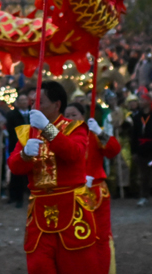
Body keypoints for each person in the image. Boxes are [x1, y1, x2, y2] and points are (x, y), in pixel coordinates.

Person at [7, 81, 99, 274]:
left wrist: (47, 129)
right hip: (40, 208)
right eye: (32, 102)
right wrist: (24, 155)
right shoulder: (27, 132)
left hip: (71, 206)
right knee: (39, 265)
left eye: (39, 102)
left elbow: (73, 153)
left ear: (57, 104)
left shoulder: (76, 128)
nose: (33, 106)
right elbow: (14, 167)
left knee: (76, 265)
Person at [65, 103, 120, 274]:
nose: (69, 119)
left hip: (96, 192)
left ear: (83, 116)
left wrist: (99, 132)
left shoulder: (94, 134)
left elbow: (113, 150)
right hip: (70, 192)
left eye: (73, 115)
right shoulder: (60, 136)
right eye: (66, 115)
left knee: (100, 237)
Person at [130, 94, 152, 207]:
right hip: (142, 149)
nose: (140, 102)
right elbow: (134, 135)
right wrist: (134, 151)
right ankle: (144, 196)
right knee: (143, 174)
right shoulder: (137, 117)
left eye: (143, 100)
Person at [6, 91, 32, 207]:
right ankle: (16, 197)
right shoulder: (12, 115)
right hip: (17, 145)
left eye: (25, 100)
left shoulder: (33, 114)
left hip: (32, 146)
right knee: (16, 172)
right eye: (21, 100)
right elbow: (11, 130)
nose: (23, 102)